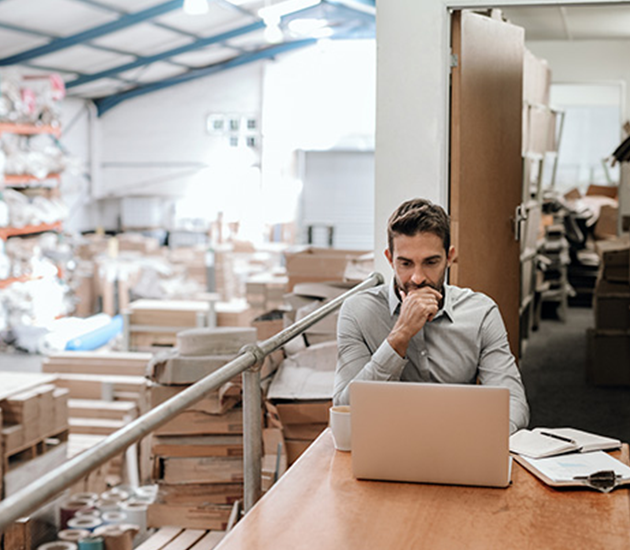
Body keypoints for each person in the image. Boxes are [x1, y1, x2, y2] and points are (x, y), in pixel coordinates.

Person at [333, 198, 529, 434]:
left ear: (449, 258)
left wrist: (482, 439)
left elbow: (514, 404)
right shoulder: (357, 312)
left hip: (460, 441)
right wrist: (399, 336)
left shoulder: (482, 312)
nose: (417, 278)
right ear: (389, 259)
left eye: (431, 262)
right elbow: (346, 410)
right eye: (405, 263)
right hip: (386, 441)